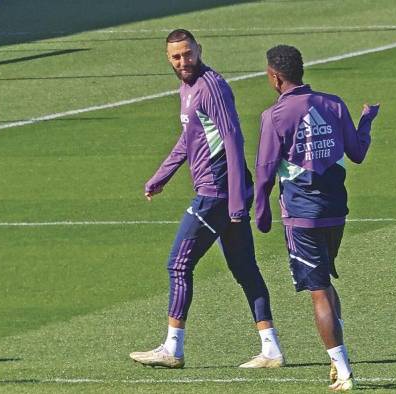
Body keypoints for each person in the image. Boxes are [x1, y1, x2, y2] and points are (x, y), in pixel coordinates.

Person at [129, 29, 284, 369]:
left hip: (216, 193)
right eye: (176, 57)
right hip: (224, 192)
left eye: (188, 54)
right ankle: (271, 348)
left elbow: (232, 139)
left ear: (199, 50)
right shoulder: (186, 88)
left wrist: (235, 204)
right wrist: (161, 176)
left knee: (178, 264)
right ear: (168, 58)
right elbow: (189, 140)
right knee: (244, 268)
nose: (183, 61)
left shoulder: (210, 86)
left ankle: (173, 348)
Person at [254, 45, 380, 391]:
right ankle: (336, 360)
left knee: (318, 290)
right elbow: (357, 153)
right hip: (336, 212)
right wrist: (366, 121)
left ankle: (343, 370)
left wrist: (260, 211)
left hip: (301, 216)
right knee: (324, 281)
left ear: (275, 77)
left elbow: (264, 171)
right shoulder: (334, 104)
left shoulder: (274, 116)